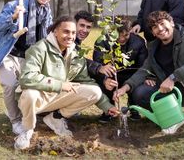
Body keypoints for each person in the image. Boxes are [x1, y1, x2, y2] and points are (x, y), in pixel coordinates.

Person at [114, 11, 184, 142]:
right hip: (173, 91)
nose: (160, 29)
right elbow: (144, 70)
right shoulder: (154, 47)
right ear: (153, 32)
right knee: (140, 93)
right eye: (155, 27)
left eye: (162, 24)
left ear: (171, 23)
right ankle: (173, 119)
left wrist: (173, 77)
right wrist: (125, 87)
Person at [14, 16, 119, 150]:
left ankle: (56, 118)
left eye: (73, 33)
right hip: (37, 99)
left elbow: (86, 81)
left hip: (57, 97)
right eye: (66, 32)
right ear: (55, 32)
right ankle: (27, 130)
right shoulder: (39, 48)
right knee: (30, 94)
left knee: (94, 91)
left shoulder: (74, 53)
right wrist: (60, 85)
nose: (70, 36)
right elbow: (27, 77)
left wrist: (107, 106)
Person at [0, 0, 57, 135]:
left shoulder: (46, 11)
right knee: (10, 85)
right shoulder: (15, 5)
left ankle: (26, 111)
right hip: (7, 52)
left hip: (29, 56)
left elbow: (48, 34)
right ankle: (15, 121)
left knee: (31, 85)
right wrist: (12, 17)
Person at [93, 17, 148, 122]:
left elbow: (143, 65)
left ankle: (133, 107)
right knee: (105, 83)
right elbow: (98, 64)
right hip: (111, 74)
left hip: (131, 74)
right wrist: (105, 79)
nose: (122, 39)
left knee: (137, 83)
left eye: (126, 35)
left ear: (130, 31)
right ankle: (109, 109)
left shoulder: (139, 42)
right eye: (119, 35)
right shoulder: (103, 41)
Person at [74, 10, 116, 77]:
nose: (85, 30)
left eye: (88, 27)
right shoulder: (69, 40)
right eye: (82, 25)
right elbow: (76, 60)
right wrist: (98, 67)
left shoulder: (76, 41)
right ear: (75, 24)